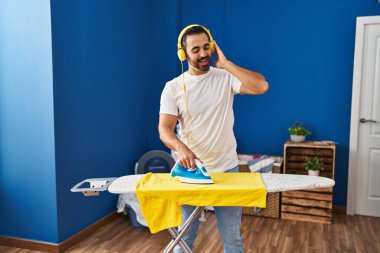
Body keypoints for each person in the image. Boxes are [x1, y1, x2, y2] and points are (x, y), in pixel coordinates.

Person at [158, 24, 268, 253]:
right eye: (195, 49)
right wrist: (181, 147)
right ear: (184, 53)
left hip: (227, 169)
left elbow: (261, 86)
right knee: (183, 239)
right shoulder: (173, 88)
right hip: (191, 172)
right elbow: (165, 129)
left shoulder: (226, 78)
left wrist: (226, 64)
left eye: (206, 47)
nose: (202, 54)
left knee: (233, 239)